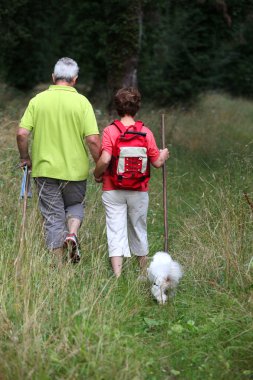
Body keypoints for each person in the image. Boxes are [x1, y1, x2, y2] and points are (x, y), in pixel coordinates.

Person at [17, 57, 101, 265]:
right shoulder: (82, 102)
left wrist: (25, 157)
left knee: (53, 217)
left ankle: (57, 267)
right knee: (74, 205)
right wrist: (100, 166)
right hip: (75, 170)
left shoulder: (38, 100)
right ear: (75, 79)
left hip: (45, 170)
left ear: (53, 77)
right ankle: (72, 233)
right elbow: (92, 139)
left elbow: (21, 134)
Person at [93, 87, 169, 277]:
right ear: (137, 108)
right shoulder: (146, 132)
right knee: (138, 227)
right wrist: (164, 154)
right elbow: (157, 163)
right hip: (139, 189)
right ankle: (143, 272)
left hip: (112, 188)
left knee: (115, 228)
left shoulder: (110, 131)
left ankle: (118, 275)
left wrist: (96, 174)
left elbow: (104, 159)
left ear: (117, 107)